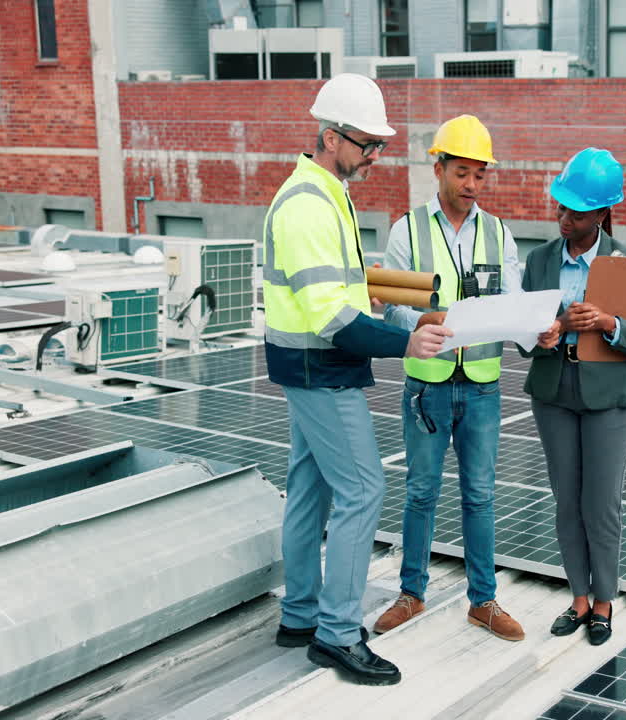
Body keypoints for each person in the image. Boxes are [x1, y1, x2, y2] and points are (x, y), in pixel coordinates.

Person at [263, 73, 452, 686]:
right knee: (363, 491)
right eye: (365, 145)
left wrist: (389, 287)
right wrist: (406, 340)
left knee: (311, 489)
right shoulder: (308, 205)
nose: (374, 157)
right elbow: (334, 318)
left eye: (379, 146)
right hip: (322, 369)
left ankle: (299, 616)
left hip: (309, 367)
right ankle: (338, 635)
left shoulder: (324, 192)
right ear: (329, 136)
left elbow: (337, 286)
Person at [373, 115, 526, 641]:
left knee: (480, 495)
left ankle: (482, 602)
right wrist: (423, 320)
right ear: (438, 168)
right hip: (427, 388)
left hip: (482, 385)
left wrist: (531, 325)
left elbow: (512, 302)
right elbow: (390, 309)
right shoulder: (407, 231)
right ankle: (411, 594)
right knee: (420, 492)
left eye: (480, 176)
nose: (472, 185)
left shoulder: (499, 233)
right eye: (462, 172)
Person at [520, 148, 626, 646]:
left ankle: (604, 602)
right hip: (554, 392)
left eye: (575, 212)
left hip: (609, 400)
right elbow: (520, 335)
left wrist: (609, 324)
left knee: (600, 503)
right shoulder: (539, 260)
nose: (563, 218)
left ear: (601, 214)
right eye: (559, 208)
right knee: (566, 502)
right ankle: (578, 599)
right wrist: (538, 335)